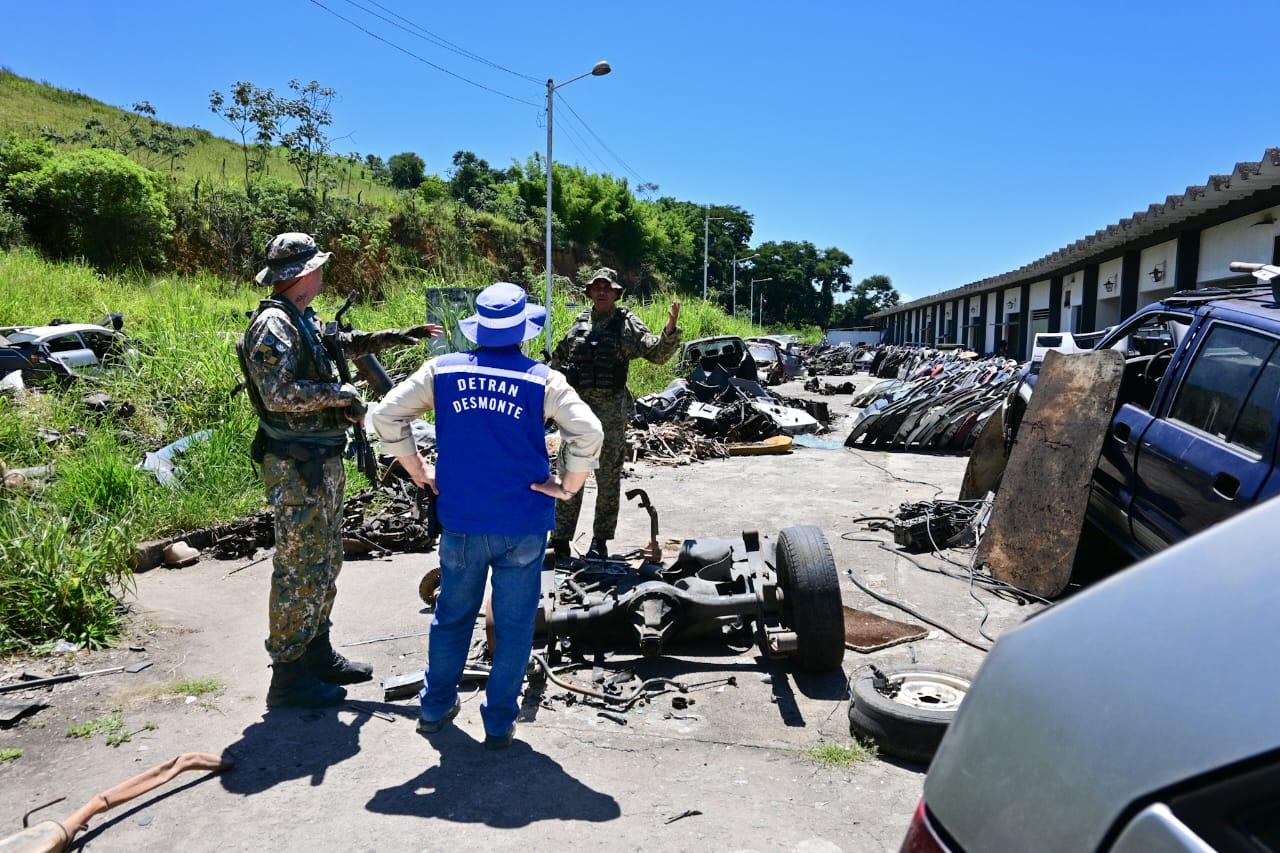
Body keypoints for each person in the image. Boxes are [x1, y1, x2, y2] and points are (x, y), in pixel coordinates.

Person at [372, 282, 603, 749]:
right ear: (523, 330)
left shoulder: (441, 370)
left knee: (452, 614)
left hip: (462, 519)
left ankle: (435, 705)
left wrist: (418, 469)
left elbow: (384, 415)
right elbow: (589, 429)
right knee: (515, 624)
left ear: (478, 328)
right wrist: (569, 485)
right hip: (523, 522)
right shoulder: (543, 379)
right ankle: (499, 719)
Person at [238, 232, 440, 708]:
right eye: (320, 266)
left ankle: (316, 652)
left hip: (320, 461)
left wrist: (398, 335)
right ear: (304, 273)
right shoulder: (273, 325)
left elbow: (340, 343)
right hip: (296, 465)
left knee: (325, 560)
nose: (324, 273)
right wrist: (342, 397)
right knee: (297, 567)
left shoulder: (300, 319)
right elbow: (278, 395)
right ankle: (288, 675)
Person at [549, 267, 682, 559]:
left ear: (616, 293)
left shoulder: (626, 324)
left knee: (608, 479)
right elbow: (558, 359)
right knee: (570, 473)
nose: (601, 292)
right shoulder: (580, 321)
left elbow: (656, 354)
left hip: (610, 412)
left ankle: (600, 541)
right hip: (577, 411)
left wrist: (670, 330)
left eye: (607, 288)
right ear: (589, 291)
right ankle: (560, 538)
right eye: (597, 287)